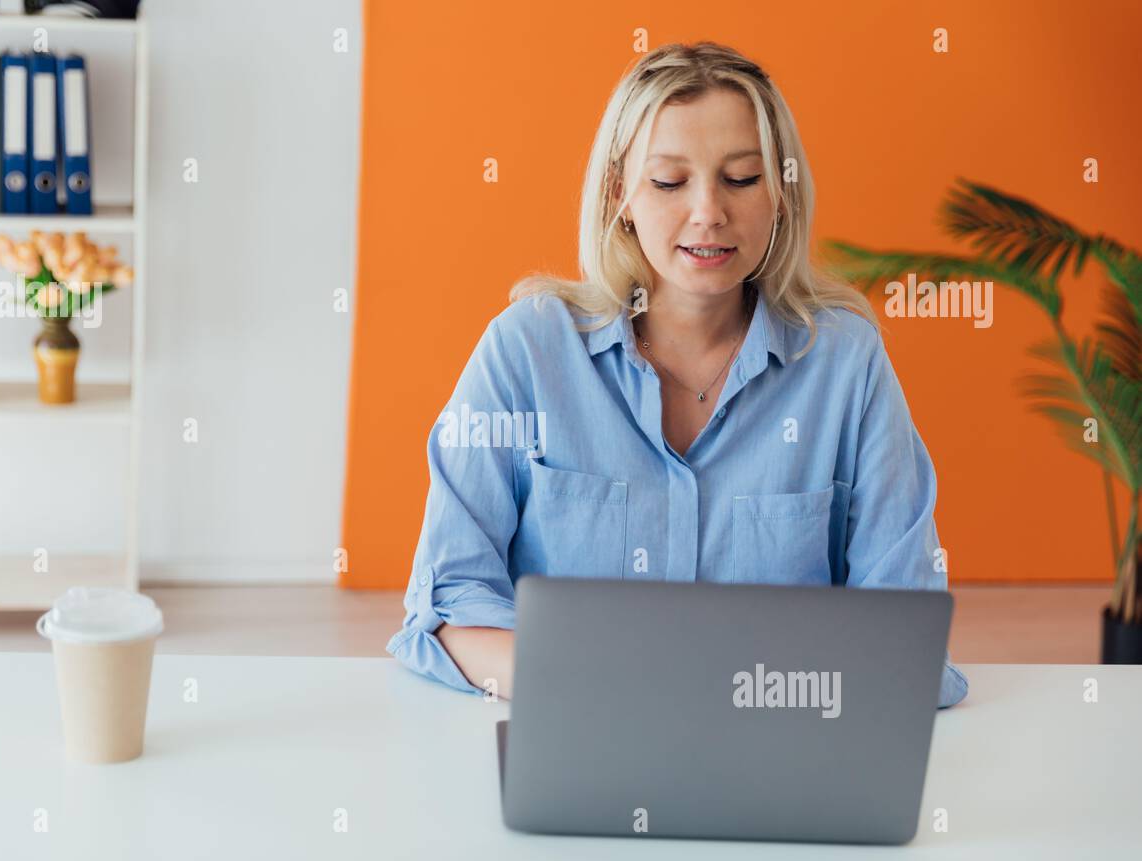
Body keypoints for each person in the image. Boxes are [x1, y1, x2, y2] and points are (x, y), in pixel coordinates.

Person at [386, 41, 968, 708]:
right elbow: (450, 606)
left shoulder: (845, 364)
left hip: (777, 756)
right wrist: (605, 693)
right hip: (580, 739)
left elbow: (904, 628)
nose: (708, 212)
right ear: (620, 196)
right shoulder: (526, 351)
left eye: (742, 178)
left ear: (780, 192)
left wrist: (747, 699)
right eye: (669, 181)